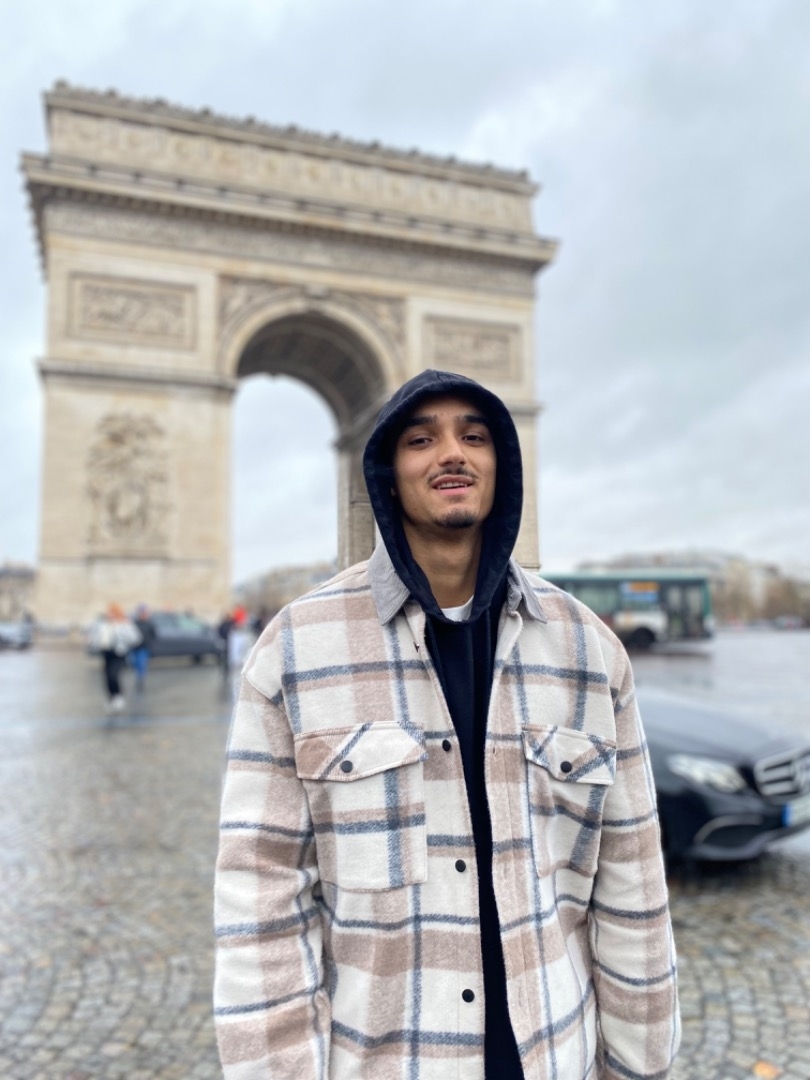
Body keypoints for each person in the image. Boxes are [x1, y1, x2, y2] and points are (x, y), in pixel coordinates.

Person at [213, 370, 681, 1079]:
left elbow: (632, 882)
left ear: (503, 464)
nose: (451, 453)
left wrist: (642, 1064)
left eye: (474, 435)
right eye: (421, 439)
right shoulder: (293, 651)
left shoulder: (591, 650)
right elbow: (261, 903)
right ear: (386, 473)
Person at [90, 603, 141, 712]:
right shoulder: (104, 624)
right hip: (106, 651)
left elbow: (135, 638)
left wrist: (121, 636)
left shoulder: (125, 623)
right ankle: (111, 697)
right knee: (107, 676)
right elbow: (96, 636)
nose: (110, 615)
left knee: (114, 675)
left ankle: (119, 696)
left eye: (112, 613)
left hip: (119, 653)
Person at [130, 604, 155, 691]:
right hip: (134, 647)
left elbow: (153, 635)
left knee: (141, 664)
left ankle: (140, 679)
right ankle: (139, 676)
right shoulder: (135, 623)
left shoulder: (149, 623)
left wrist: (150, 644)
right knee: (134, 663)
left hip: (144, 647)